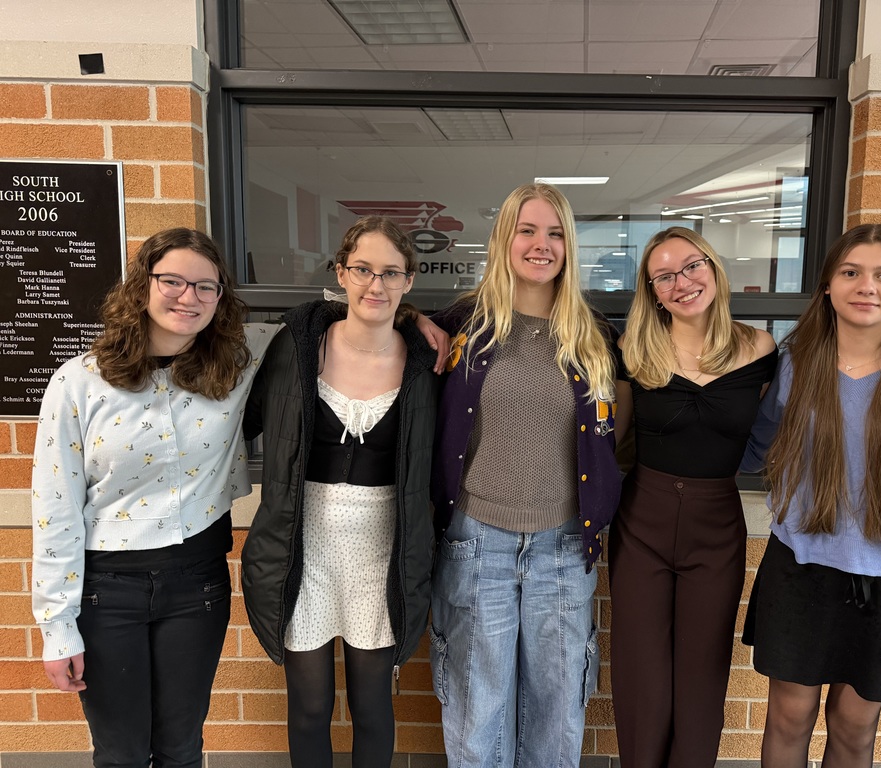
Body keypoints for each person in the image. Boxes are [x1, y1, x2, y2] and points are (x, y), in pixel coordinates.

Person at [31, 228, 278, 768]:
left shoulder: (238, 361)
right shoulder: (79, 383)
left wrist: (411, 316)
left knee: (181, 749)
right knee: (120, 754)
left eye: (205, 287)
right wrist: (56, 626)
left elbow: (328, 321)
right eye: (173, 281)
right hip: (105, 593)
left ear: (220, 299)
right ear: (143, 285)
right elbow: (56, 509)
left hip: (198, 586)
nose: (188, 297)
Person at [740, 223, 881, 768]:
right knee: (788, 720)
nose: (866, 286)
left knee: (851, 729)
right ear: (827, 286)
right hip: (799, 572)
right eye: (851, 273)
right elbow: (755, 445)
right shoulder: (798, 366)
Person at [427, 182, 620, 767]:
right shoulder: (464, 324)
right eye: (528, 230)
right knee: (475, 708)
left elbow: (616, 439)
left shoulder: (594, 336)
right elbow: (366, 314)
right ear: (504, 238)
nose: (542, 245)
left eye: (556, 233)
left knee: (558, 713)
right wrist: (412, 317)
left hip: (563, 547)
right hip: (476, 542)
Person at [240, 216, 440, 768]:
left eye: (391, 273)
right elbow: (246, 417)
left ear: (408, 282)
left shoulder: (425, 365)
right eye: (363, 270)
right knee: (309, 706)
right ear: (341, 273)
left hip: (382, 551)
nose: (375, 285)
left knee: (373, 705)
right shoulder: (295, 349)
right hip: (304, 546)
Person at [609, 226, 777, 768]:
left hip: (716, 522)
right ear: (651, 290)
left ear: (713, 267)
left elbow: (769, 437)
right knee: (642, 678)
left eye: (691, 266)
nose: (682, 282)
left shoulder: (760, 348)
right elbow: (613, 443)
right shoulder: (634, 350)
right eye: (664, 275)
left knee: (703, 676)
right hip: (643, 522)